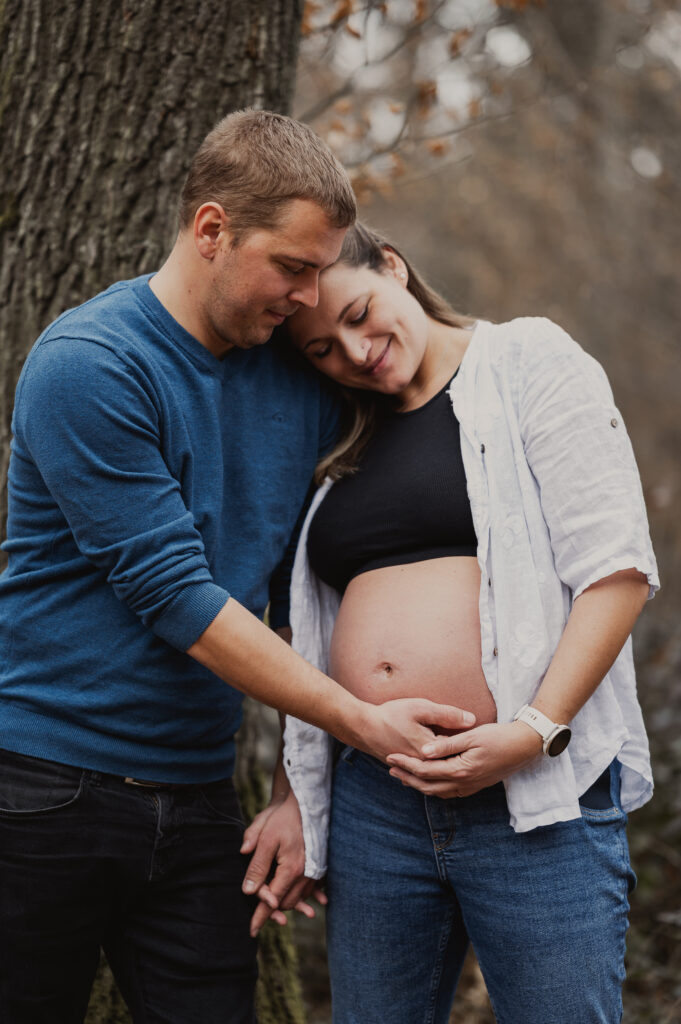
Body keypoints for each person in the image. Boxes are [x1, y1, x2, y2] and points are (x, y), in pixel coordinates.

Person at [0, 117, 473, 1024]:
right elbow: (178, 599)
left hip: (199, 798)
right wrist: (364, 727)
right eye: (292, 268)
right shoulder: (89, 365)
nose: (308, 297)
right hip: (43, 790)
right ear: (212, 231)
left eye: (322, 270)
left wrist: (300, 792)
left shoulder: (294, 378)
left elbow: (302, 594)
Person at [274, 222, 659, 1024]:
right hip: (376, 801)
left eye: (356, 312)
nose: (352, 352)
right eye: (320, 350)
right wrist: (293, 791)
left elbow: (614, 573)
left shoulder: (527, 362)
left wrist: (530, 731)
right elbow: (304, 634)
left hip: (533, 795)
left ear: (392, 265)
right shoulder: (340, 431)